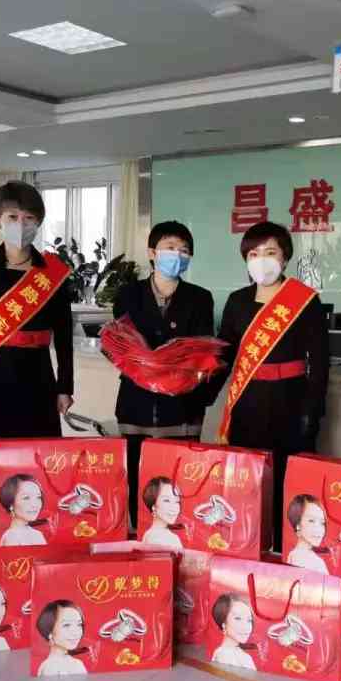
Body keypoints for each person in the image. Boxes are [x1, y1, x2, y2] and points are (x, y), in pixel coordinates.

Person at [0, 182, 74, 536]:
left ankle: (35, 532)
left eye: (29, 218)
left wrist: (65, 386)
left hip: (37, 378)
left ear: (39, 223)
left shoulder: (52, 271)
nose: (21, 224)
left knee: (37, 458)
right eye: (12, 216)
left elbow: (64, 334)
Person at [211, 221, 329, 548]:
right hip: (247, 402)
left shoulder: (304, 301)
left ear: (285, 257)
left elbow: (320, 363)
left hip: (291, 402)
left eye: (270, 252)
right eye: (254, 253)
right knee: (248, 480)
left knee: (289, 481)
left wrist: (313, 411)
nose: (262, 259)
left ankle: (286, 548)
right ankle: (249, 544)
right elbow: (224, 355)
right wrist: (202, 392)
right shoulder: (237, 301)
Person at [113, 221, 214, 527]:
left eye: (184, 251)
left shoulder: (200, 298)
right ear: (152, 253)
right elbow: (120, 345)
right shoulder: (128, 294)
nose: (177, 255)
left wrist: (183, 379)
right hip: (136, 403)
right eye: (170, 248)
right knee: (136, 477)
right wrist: (148, 366)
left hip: (182, 406)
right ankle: (138, 538)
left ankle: (176, 539)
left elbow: (203, 351)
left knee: (179, 481)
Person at [36, 600, 88, 676]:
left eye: (79, 624)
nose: (76, 632)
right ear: (49, 631)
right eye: (66, 625)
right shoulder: (50, 667)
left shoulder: (76, 663)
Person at [0, 474, 47, 546]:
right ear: (11, 504)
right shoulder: (12, 537)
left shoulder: (37, 534)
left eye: (38, 497)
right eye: (26, 498)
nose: (35, 504)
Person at [210, 593, 256, 670]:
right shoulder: (224, 655)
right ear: (224, 623)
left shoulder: (244, 656)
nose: (245, 626)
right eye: (238, 618)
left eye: (249, 620)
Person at [285, 494, 328, 573]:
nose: (318, 529)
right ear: (298, 524)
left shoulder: (294, 555)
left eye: (322, 523)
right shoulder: (310, 560)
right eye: (311, 521)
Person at [140, 476, 184, 550]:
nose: (174, 507)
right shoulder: (157, 538)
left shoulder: (156, 534)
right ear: (153, 506)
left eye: (177, 501)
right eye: (166, 500)